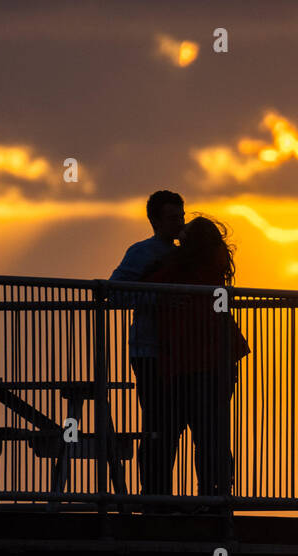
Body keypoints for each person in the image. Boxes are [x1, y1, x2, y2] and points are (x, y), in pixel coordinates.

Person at [139, 215, 249, 500]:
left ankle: (157, 498)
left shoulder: (180, 267)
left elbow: (147, 284)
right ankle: (215, 496)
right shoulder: (214, 262)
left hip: (188, 363)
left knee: (168, 433)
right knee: (212, 434)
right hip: (219, 360)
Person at [110, 190, 184, 497]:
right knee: (156, 425)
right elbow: (114, 293)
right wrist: (159, 297)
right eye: (172, 217)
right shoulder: (141, 252)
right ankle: (153, 494)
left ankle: (161, 494)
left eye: (181, 215)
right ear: (154, 221)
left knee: (173, 425)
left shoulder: (185, 253)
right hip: (148, 351)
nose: (179, 222)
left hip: (177, 353)